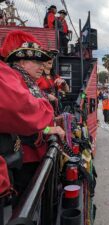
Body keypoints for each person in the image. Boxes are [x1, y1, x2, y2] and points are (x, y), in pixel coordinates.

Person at [0, 30, 65, 202]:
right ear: (21, 61)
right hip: (24, 160)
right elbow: (26, 114)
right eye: (36, 61)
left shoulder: (26, 81)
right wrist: (49, 123)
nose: (41, 67)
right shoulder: (15, 79)